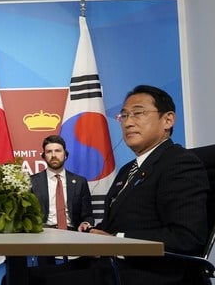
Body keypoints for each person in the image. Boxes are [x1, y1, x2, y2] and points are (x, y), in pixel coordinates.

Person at [29, 85, 209, 285]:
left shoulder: (180, 163)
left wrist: (116, 239)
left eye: (138, 113)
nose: (128, 123)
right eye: (123, 116)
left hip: (148, 273)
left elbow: (187, 238)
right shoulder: (127, 170)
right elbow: (110, 227)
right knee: (23, 277)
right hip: (108, 265)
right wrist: (90, 234)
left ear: (168, 120)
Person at [30, 135, 93, 267]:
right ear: (43, 156)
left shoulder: (80, 182)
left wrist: (86, 223)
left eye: (58, 151)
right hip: (43, 236)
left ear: (65, 154)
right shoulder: (31, 182)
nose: (53, 155)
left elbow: (87, 215)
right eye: (49, 151)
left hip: (74, 236)